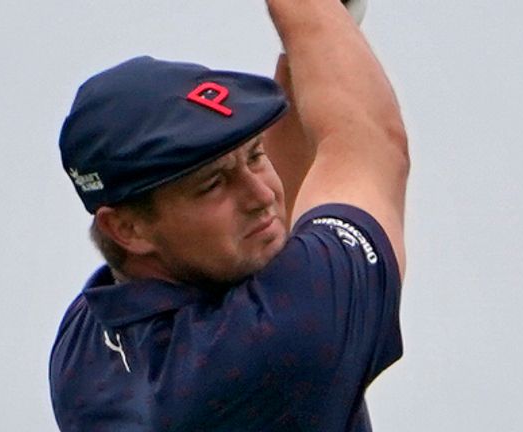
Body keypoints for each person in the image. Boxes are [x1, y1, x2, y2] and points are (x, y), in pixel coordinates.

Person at [49, 0, 409, 430]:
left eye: (255, 155)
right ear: (127, 228)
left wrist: (319, 32)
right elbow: (369, 144)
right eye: (213, 185)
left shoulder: (85, 343)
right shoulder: (273, 343)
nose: (261, 195)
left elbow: (275, 224)